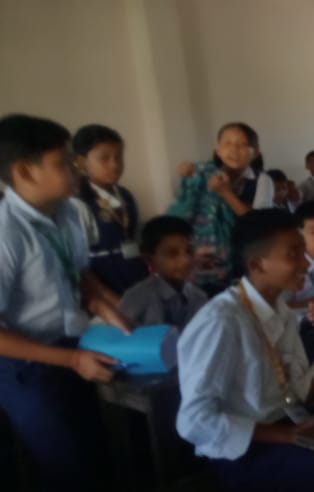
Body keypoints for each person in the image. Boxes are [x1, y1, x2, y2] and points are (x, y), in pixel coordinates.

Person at [0, 114, 131, 490]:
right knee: (68, 465)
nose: (77, 169)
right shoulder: (6, 233)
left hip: (73, 344)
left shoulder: (70, 211)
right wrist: (72, 359)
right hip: (24, 364)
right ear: (25, 171)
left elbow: (78, 273)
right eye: (63, 163)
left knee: (100, 447)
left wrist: (105, 307)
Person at [176, 209, 314, 492]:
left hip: (286, 426)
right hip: (243, 453)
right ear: (256, 264)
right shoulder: (222, 321)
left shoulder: (281, 309)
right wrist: (286, 435)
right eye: (294, 255)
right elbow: (194, 421)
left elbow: (299, 394)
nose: (306, 263)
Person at [167, 122, 275, 295]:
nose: (234, 150)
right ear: (218, 149)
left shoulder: (263, 181)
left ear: (255, 152)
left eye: (242, 144)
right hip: (204, 261)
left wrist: (225, 191)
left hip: (244, 262)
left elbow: (256, 223)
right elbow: (183, 214)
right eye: (227, 143)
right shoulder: (201, 176)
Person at [72, 123, 149, 294]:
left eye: (119, 157)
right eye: (104, 158)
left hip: (135, 272)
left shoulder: (125, 195)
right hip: (103, 280)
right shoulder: (79, 202)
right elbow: (79, 264)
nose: (115, 165)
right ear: (81, 162)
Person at [119, 216, 208, 329]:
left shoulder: (199, 298)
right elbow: (120, 335)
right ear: (149, 259)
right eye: (172, 253)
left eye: (189, 251)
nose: (185, 260)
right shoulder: (136, 299)